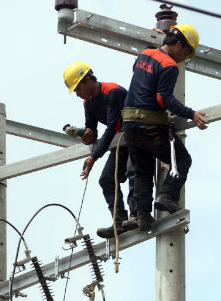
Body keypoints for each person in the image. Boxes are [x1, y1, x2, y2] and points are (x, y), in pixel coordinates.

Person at [122, 23, 208, 231]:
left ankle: (143, 215)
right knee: (182, 160)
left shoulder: (145, 54)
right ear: (179, 44)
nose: (184, 59)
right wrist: (192, 113)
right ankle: (166, 195)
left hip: (129, 127)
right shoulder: (170, 66)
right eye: (186, 53)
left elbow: (138, 69)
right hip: (149, 126)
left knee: (143, 170)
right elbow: (165, 100)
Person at [63, 62, 137, 238]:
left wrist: (94, 157)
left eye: (77, 89)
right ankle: (119, 221)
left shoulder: (113, 92)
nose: (77, 94)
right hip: (121, 141)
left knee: (134, 171)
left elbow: (112, 127)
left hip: (136, 136)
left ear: (87, 79)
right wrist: (88, 134)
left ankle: (136, 214)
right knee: (106, 179)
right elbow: (93, 129)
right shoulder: (88, 103)